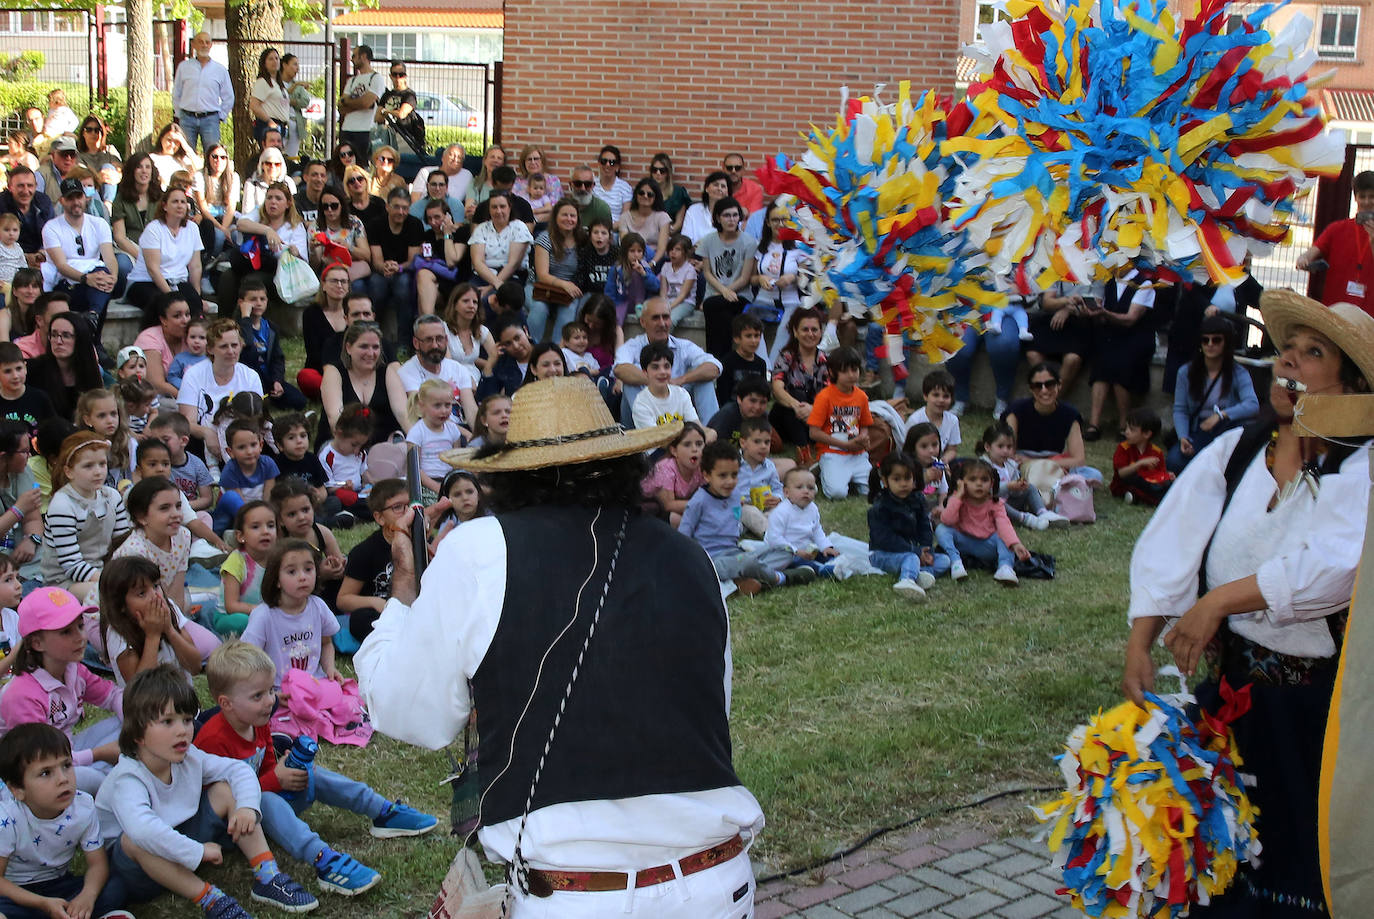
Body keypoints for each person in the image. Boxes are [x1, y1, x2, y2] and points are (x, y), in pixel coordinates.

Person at [356, 375, 764, 919]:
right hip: (717, 880)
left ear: (511, 474)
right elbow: (711, 711)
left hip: (578, 898)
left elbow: (413, 714)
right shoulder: (693, 559)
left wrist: (401, 601)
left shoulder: (478, 548)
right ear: (622, 465)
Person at [1121, 292, 1373, 917]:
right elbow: (1172, 540)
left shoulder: (1362, 466)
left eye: (1313, 354)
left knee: (1303, 864)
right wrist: (1139, 643)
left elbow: (1334, 568)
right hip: (1233, 697)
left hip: (1319, 715)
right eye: (1287, 350)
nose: (1289, 363)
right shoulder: (1237, 450)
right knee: (1221, 858)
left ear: (1351, 384)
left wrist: (1217, 603)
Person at [196, 642, 435, 900]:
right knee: (267, 799)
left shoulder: (257, 721)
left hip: (261, 806)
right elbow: (223, 801)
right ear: (226, 703)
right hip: (231, 828)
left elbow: (265, 767)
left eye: (270, 691)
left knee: (310, 772)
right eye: (258, 696)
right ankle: (323, 860)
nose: (270, 702)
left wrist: (281, 771)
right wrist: (275, 779)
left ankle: (382, 811)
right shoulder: (211, 740)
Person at [95, 664, 318, 916]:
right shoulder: (127, 779)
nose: (182, 730)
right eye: (167, 721)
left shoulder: (189, 756)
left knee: (226, 788)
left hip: (181, 844)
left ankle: (267, 875)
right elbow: (143, 831)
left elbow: (238, 770)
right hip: (139, 871)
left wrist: (246, 807)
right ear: (137, 734)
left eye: (187, 720)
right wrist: (197, 851)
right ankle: (211, 900)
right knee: (133, 839)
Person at [1, 586, 123, 795]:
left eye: (80, 626)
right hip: (30, 771)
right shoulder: (22, 694)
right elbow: (41, 759)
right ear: (37, 643)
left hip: (67, 752)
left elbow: (113, 696)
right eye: (66, 631)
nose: (80, 637)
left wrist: (137, 728)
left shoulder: (74, 669)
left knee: (133, 722)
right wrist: (100, 754)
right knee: (91, 779)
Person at [0, 723, 130, 919]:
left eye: (66, 765)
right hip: (16, 893)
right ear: (17, 790)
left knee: (117, 886)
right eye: (46, 773)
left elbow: (97, 865)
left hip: (60, 885)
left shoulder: (83, 807)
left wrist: (87, 896)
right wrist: (42, 903)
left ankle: (72, 913)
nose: (63, 779)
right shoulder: (8, 818)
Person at [682, 438, 815, 595]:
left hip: (736, 553)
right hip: (712, 561)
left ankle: (744, 582)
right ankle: (781, 578)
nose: (730, 481)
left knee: (785, 550)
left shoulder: (735, 496)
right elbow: (683, 537)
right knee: (746, 563)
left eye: (734, 475)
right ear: (707, 475)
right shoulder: (699, 501)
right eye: (723, 476)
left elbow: (735, 525)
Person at [1168, 314, 1260, 472]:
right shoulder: (1185, 372)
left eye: (1216, 340)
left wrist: (1221, 415)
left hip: (1225, 429)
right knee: (1174, 461)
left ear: (1226, 343)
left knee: (1227, 467)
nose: (1210, 345)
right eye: (1205, 340)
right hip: (1198, 430)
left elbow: (1252, 405)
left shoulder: (1238, 372)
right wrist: (1183, 437)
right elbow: (1180, 410)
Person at [97, 552, 202, 688]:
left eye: (156, 586)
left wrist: (169, 630)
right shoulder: (117, 634)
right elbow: (140, 689)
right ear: (121, 605)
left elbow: (195, 666)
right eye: (142, 593)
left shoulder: (168, 607)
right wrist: (153, 636)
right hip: (149, 708)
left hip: (186, 706)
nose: (155, 596)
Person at [614, 297, 722, 427]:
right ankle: (652, 434)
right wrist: (658, 381)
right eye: (655, 318)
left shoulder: (684, 346)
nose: (662, 323)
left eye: (666, 317)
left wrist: (682, 379)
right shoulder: (632, 346)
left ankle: (710, 435)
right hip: (641, 420)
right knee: (630, 378)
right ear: (643, 322)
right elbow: (620, 369)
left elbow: (714, 367)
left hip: (677, 410)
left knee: (704, 379)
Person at [1084, 268, 1157, 441]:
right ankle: (1094, 424)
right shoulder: (1109, 281)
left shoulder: (1145, 284)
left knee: (1120, 365)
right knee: (1101, 366)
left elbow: (1131, 318)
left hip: (1136, 338)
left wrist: (1104, 313)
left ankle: (1124, 424)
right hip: (1112, 336)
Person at [176, 318, 264, 461]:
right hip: (203, 442)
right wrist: (207, 433)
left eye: (234, 345)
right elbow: (187, 422)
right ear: (210, 349)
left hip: (242, 439)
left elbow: (257, 418)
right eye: (223, 346)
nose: (231, 351)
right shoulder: (193, 375)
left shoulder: (250, 376)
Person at [1003, 361, 1103, 484]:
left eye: (1049, 384)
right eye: (1038, 386)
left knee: (1094, 475)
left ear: (1059, 385)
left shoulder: (1070, 414)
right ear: (1031, 389)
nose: (1044, 391)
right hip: (1020, 461)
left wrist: (1037, 462)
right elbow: (1007, 452)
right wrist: (1027, 463)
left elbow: (1078, 459)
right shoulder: (1016, 411)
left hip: (1054, 461)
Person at [868, 452, 950, 602]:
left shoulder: (917, 499)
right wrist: (915, 551)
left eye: (907, 478)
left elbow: (925, 527)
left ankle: (922, 573)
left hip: (913, 552)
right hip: (884, 554)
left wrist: (927, 550)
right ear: (885, 482)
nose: (903, 484)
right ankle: (906, 580)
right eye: (897, 479)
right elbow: (885, 539)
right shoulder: (880, 507)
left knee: (944, 560)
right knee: (911, 558)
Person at [936, 457, 1030, 585]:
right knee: (942, 529)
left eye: (984, 480)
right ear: (963, 482)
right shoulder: (958, 500)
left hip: (986, 546)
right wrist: (958, 496)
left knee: (1004, 537)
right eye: (973, 479)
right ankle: (956, 562)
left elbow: (1004, 524)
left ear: (991, 483)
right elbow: (947, 520)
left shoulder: (996, 503)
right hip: (963, 542)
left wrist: (1016, 544)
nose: (979, 484)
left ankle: (1005, 567)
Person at [1295, 169, 1374, 317]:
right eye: (1362, 196)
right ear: (1355, 198)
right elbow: (1311, 252)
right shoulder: (1337, 229)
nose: (1367, 202)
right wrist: (1304, 260)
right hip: (1335, 315)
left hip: (1369, 319)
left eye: (1372, 196)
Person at [220, 179, 307, 309]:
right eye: (269, 198)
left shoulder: (295, 226)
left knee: (252, 281)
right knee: (227, 277)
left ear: (288, 203)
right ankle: (224, 321)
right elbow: (241, 223)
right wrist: (268, 230)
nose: (273, 202)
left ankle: (244, 321)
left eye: (278, 198)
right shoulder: (258, 215)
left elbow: (302, 260)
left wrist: (292, 252)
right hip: (252, 264)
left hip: (278, 272)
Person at [42, 178, 118, 325]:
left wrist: (113, 278)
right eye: (70, 198)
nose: (76, 202)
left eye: (78, 197)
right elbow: (61, 265)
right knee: (100, 283)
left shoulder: (99, 224)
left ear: (85, 197)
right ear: (62, 201)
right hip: (66, 283)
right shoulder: (51, 227)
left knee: (103, 278)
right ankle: (94, 327)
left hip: (95, 280)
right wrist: (86, 278)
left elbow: (110, 258)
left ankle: (93, 316)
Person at [318, 322, 406, 447]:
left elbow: (402, 413)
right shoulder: (334, 372)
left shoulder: (388, 372)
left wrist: (417, 442)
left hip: (384, 446)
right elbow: (335, 418)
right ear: (348, 348)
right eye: (364, 347)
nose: (371, 353)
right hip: (341, 443)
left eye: (375, 347)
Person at [124, 186, 204, 322]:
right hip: (146, 282)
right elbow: (153, 269)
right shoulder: (154, 229)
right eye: (175, 202)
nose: (180, 205)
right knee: (162, 306)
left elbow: (195, 266)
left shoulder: (192, 228)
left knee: (195, 307)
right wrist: (172, 297)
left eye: (183, 202)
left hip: (178, 281)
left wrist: (197, 294)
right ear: (165, 206)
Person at [807, 347, 873, 499]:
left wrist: (863, 438)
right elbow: (814, 432)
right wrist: (844, 445)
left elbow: (864, 425)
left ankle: (850, 478)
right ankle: (824, 470)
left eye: (854, 370)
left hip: (857, 454)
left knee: (875, 491)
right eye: (845, 371)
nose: (851, 375)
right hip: (832, 453)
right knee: (837, 494)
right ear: (832, 372)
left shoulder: (861, 396)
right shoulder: (824, 397)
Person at [976, 421, 1067, 529]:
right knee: (996, 501)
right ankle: (1024, 519)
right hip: (989, 507)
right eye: (1000, 446)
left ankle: (1043, 513)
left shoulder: (1011, 465)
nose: (1005, 451)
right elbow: (986, 492)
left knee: (1030, 488)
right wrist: (1009, 486)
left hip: (1010, 502)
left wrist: (1019, 486)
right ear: (987, 447)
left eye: (1009, 447)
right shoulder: (982, 466)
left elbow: (1015, 489)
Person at [234, 277, 303, 409]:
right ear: (241, 303)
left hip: (267, 379)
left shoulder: (271, 328)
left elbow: (278, 358)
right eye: (253, 299)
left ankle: (269, 396)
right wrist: (245, 317)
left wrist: (277, 380)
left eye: (262, 299)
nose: (258, 303)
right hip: (246, 380)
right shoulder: (236, 327)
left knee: (298, 401)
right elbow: (247, 345)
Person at [398, 314, 478, 424]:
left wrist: (478, 437)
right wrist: (465, 435)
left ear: (446, 340)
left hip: (461, 430)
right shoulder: (407, 372)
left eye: (439, 339)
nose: (435, 345)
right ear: (416, 343)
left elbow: (471, 409)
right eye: (429, 340)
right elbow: (425, 415)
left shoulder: (458, 369)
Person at [366, 187, 423, 339]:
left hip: (404, 271)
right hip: (380, 271)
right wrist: (385, 267)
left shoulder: (415, 225)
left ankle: (405, 340)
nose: (401, 212)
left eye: (405, 208)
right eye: (396, 207)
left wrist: (398, 267)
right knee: (376, 286)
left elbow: (412, 260)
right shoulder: (375, 225)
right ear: (387, 206)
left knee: (403, 287)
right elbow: (376, 260)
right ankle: (372, 335)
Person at [26, 311, 103, 421]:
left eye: (66, 336)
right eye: (53, 335)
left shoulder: (89, 372)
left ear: (80, 339)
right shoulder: (33, 369)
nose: (58, 341)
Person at [529, 198, 585, 342]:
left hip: (568, 290)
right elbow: (542, 275)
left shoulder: (583, 240)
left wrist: (569, 286)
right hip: (541, 286)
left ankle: (557, 353)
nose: (569, 219)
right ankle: (531, 349)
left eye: (573, 216)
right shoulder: (545, 239)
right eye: (564, 215)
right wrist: (564, 284)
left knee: (569, 312)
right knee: (539, 310)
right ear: (555, 217)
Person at [173, 32, 234, 153]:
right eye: (200, 42)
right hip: (187, 119)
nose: (204, 45)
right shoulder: (184, 67)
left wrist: (220, 116)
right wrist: (179, 113)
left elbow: (229, 96)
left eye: (207, 42)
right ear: (194, 44)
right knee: (185, 155)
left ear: (211, 45)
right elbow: (176, 92)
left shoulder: (220, 70)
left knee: (213, 156)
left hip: (210, 120)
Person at [469, 191, 531, 308]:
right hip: (482, 276)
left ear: (509, 207)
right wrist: (496, 283)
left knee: (491, 302)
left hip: (511, 277)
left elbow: (513, 263)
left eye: (502, 206)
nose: (498, 211)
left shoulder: (519, 227)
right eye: (494, 207)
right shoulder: (481, 229)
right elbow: (477, 262)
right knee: (468, 300)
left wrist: (491, 287)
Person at [642, 420, 705, 524]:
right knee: (677, 518)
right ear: (674, 451)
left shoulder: (702, 467)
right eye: (687, 444)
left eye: (699, 444)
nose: (695, 449)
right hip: (648, 507)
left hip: (677, 506)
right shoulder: (665, 469)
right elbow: (668, 505)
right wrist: (702, 504)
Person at [1110, 407, 1174, 506]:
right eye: (1126, 427)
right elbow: (1121, 474)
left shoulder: (1157, 452)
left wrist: (1167, 475)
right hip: (1126, 483)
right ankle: (1156, 498)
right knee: (1137, 479)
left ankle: (1157, 495)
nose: (1126, 432)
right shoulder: (1123, 448)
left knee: (1169, 482)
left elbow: (1160, 473)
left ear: (1147, 434)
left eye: (1132, 429)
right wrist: (1139, 464)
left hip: (1148, 483)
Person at [110, 154, 159, 283]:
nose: (144, 171)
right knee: (123, 266)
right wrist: (142, 257)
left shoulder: (161, 197)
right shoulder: (120, 199)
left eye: (147, 167)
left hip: (157, 248)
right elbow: (120, 237)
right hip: (130, 249)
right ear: (132, 171)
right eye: (139, 167)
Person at [631, 341, 700, 430]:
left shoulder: (681, 394)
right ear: (645, 372)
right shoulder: (641, 404)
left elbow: (695, 427)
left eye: (666, 366)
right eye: (655, 367)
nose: (662, 372)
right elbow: (655, 440)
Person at [0, 168, 53, 268]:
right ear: (10, 187)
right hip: (8, 259)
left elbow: (51, 232)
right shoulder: (1, 203)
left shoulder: (44, 202)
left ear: (36, 186)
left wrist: (41, 254)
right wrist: (22, 256)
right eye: (20, 186)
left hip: (40, 258)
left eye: (30, 186)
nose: (26, 191)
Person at [904, 368, 960, 462]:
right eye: (936, 395)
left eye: (946, 396)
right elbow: (907, 450)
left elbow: (952, 450)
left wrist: (943, 461)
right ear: (925, 396)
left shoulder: (953, 420)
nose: (941, 400)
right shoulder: (915, 420)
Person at [338, 45, 384, 159]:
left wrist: (348, 102)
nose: (351, 59)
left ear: (363, 57)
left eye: (354, 56)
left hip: (365, 131)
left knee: (362, 165)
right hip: (347, 129)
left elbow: (366, 103)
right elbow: (340, 106)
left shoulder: (376, 78)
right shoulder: (352, 80)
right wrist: (359, 103)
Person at [444, 282, 497, 378]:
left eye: (475, 302)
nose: (471, 306)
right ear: (454, 305)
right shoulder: (443, 329)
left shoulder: (481, 330)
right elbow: (448, 366)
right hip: (452, 380)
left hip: (476, 380)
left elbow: (496, 358)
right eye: (465, 301)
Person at [715, 312, 767, 408]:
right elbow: (723, 395)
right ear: (737, 338)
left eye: (757, 336)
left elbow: (762, 392)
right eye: (748, 336)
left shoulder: (761, 364)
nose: (753, 341)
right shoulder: (727, 362)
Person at [374, 61, 424, 155]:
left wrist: (385, 111)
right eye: (394, 74)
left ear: (405, 76)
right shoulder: (386, 95)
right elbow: (377, 117)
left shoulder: (409, 95)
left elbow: (402, 114)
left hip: (404, 135)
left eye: (401, 74)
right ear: (390, 76)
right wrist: (387, 112)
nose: (397, 78)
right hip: (387, 135)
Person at [618, 176, 670, 259]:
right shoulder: (625, 217)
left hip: (654, 260)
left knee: (648, 251)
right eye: (641, 193)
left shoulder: (663, 217)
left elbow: (661, 249)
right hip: (630, 259)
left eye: (650, 194)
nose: (645, 196)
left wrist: (651, 264)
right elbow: (625, 244)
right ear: (636, 194)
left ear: (655, 197)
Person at [236, 148, 293, 218]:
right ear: (262, 165)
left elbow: (293, 211)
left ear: (282, 166)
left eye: (277, 164)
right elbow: (247, 213)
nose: (272, 167)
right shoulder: (251, 184)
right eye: (268, 163)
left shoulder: (288, 182)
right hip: (257, 225)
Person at [147, 124, 201, 192]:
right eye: (169, 140)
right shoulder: (152, 158)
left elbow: (199, 166)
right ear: (161, 139)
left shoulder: (183, 159)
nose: (172, 145)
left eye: (176, 142)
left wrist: (185, 145)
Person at [682, 171, 730, 245]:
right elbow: (685, 239)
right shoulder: (693, 210)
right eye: (716, 185)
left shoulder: (732, 213)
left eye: (723, 186)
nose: (719, 188)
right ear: (707, 188)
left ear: (727, 192)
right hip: (695, 254)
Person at [649, 153, 691, 233]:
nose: (658, 173)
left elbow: (679, 223)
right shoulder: (645, 191)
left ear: (668, 172)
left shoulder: (678, 192)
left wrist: (665, 232)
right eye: (654, 170)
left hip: (670, 233)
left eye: (662, 171)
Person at [591, 144, 633, 222]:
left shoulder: (625, 188)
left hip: (615, 231)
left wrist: (607, 230)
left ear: (617, 167)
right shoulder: (590, 184)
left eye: (612, 162)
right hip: (593, 230)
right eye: (604, 161)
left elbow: (624, 219)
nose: (607, 165)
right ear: (599, 164)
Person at [566, 164, 612, 230]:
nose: (583, 188)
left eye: (587, 184)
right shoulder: (561, 208)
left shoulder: (602, 209)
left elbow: (606, 236)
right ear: (570, 184)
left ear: (593, 185)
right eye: (578, 184)